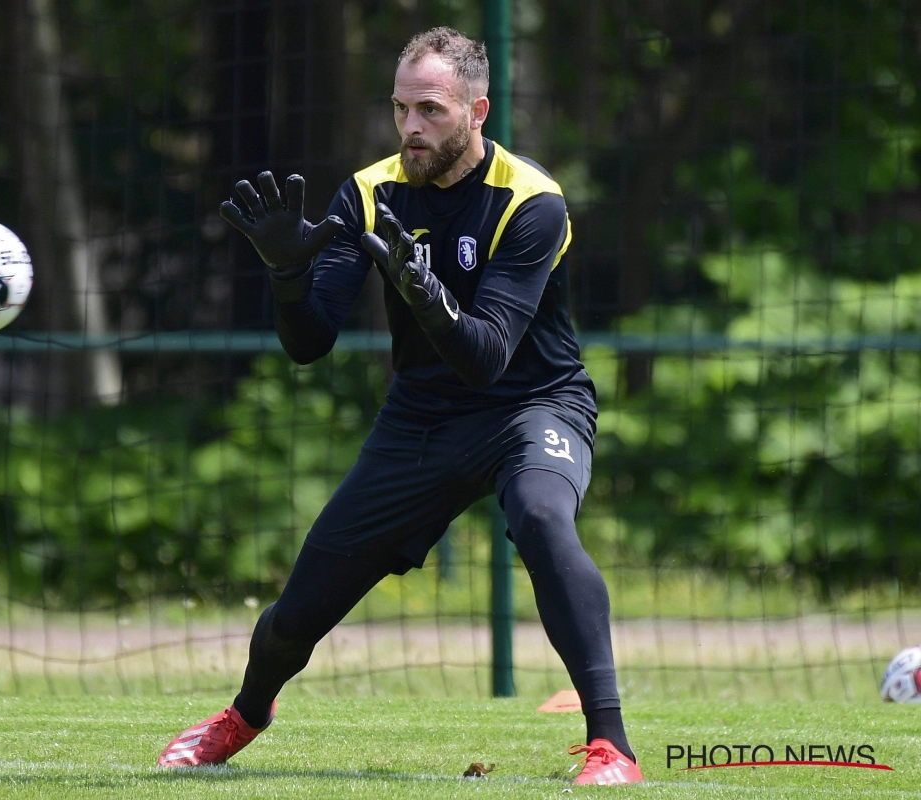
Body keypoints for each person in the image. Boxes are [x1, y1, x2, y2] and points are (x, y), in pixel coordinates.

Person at [156, 26, 643, 786]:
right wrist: (286, 279)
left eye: (432, 110)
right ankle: (245, 715)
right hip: (421, 421)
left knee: (545, 520)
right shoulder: (369, 192)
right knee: (298, 610)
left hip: (533, 406)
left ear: (478, 110)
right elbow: (310, 342)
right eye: (400, 109)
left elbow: (487, 357)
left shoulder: (532, 203)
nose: (412, 127)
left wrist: (428, 295)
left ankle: (611, 745)